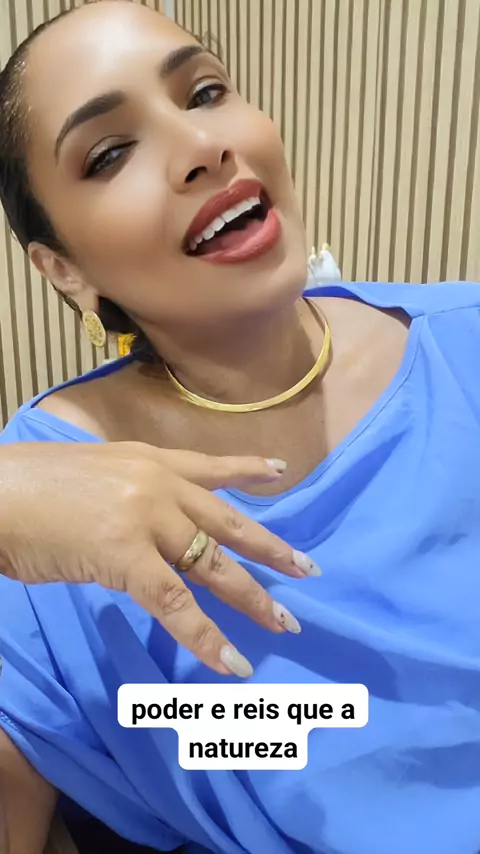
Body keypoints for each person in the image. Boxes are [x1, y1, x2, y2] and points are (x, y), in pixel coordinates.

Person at [0, 3, 479, 853]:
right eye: (109, 153)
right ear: (63, 268)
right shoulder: (41, 499)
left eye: (206, 92)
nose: (201, 146)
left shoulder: (465, 344)